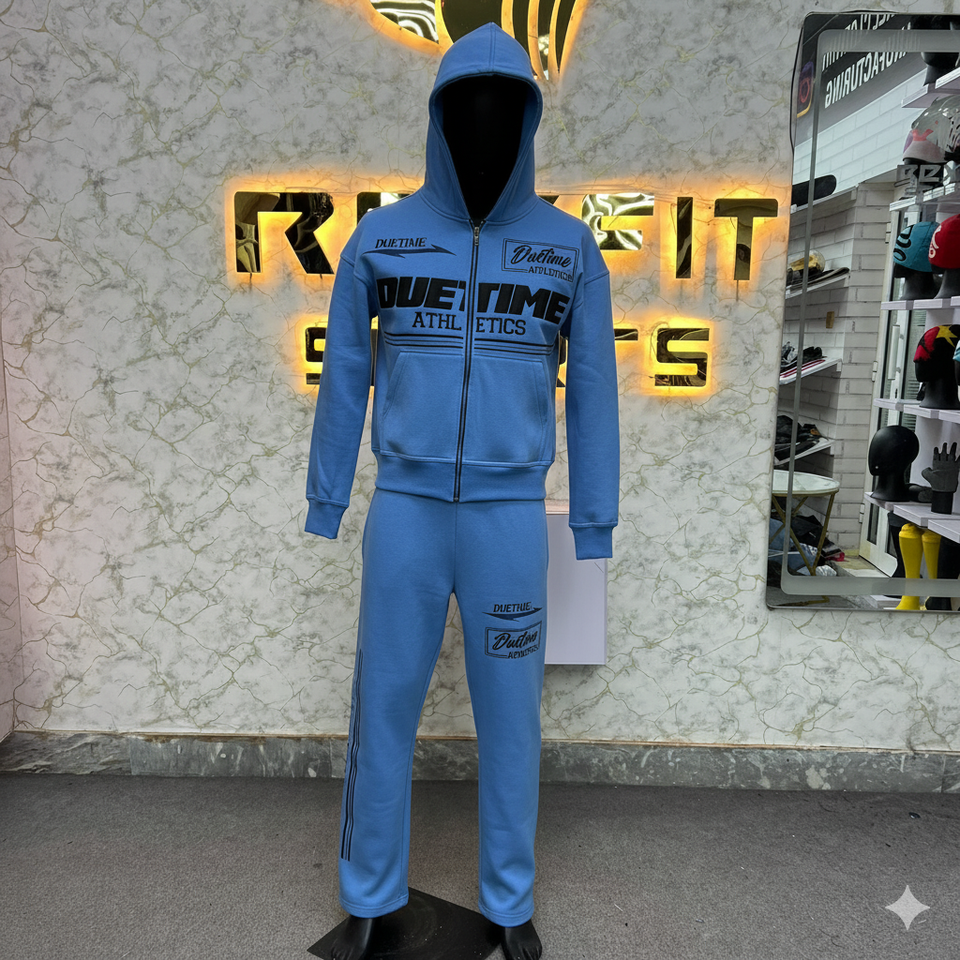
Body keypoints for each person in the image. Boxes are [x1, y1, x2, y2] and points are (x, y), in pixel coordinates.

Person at [305, 22, 620, 960]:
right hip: (404, 513)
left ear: (527, 121)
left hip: (509, 521)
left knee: (512, 720)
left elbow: (594, 391)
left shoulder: (567, 249)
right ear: (440, 121)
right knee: (384, 709)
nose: (485, 126)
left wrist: (594, 519)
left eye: (504, 109)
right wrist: (327, 496)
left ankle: (510, 903)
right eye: (467, 109)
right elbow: (345, 375)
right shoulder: (382, 238)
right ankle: (368, 894)